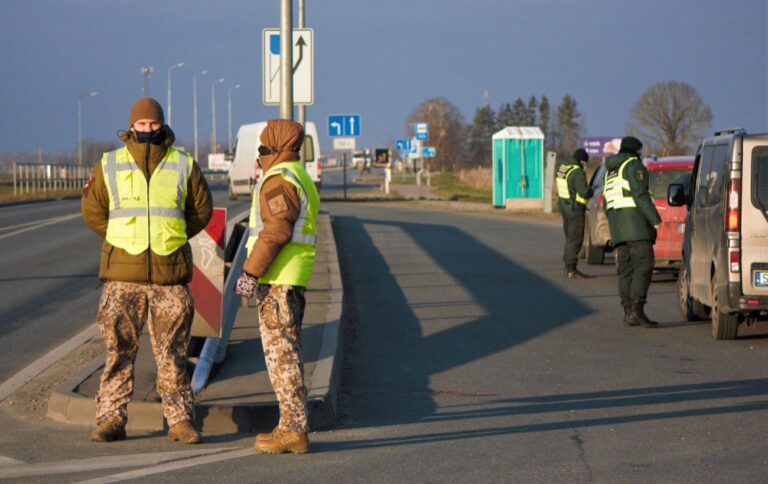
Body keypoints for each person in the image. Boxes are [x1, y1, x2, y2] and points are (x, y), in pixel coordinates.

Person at [81, 97, 213, 443]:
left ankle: (180, 421)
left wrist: (172, 235)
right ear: (132, 126)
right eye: (142, 124)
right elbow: (94, 210)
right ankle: (110, 420)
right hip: (123, 277)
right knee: (118, 351)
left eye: (154, 124)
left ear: (162, 125)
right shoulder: (110, 163)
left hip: (169, 277)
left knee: (173, 355)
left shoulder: (183, 164)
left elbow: (201, 210)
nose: (148, 129)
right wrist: (119, 238)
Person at [234, 119, 320, 454]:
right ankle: (289, 425)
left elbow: (277, 231)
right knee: (287, 355)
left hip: (278, 280)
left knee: (281, 358)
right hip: (290, 278)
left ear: (273, 143)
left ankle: (292, 430)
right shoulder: (298, 174)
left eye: (263, 141)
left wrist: (248, 274)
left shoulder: (279, 178)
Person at [602, 136, 661, 328]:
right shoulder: (633, 165)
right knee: (644, 265)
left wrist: (614, 225)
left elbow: (606, 201)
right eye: (640, 150)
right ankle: (638, 310)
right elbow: (640, 194)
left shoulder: (610, 170)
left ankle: (628, 311)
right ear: (635, 150)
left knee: (625, 269)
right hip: (636, 226)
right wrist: (655, 220)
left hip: (618, 228)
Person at [556, 148, 594, 278]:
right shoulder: (577, 172)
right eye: (585, 162)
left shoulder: (563, 168)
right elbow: (583, 191)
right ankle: (571, 268)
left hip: (564, 206)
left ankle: (568, 267)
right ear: (581, 160)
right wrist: (591, 191)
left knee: (569, 237)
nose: (585, 165)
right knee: (576, 239)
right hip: (574, 208)